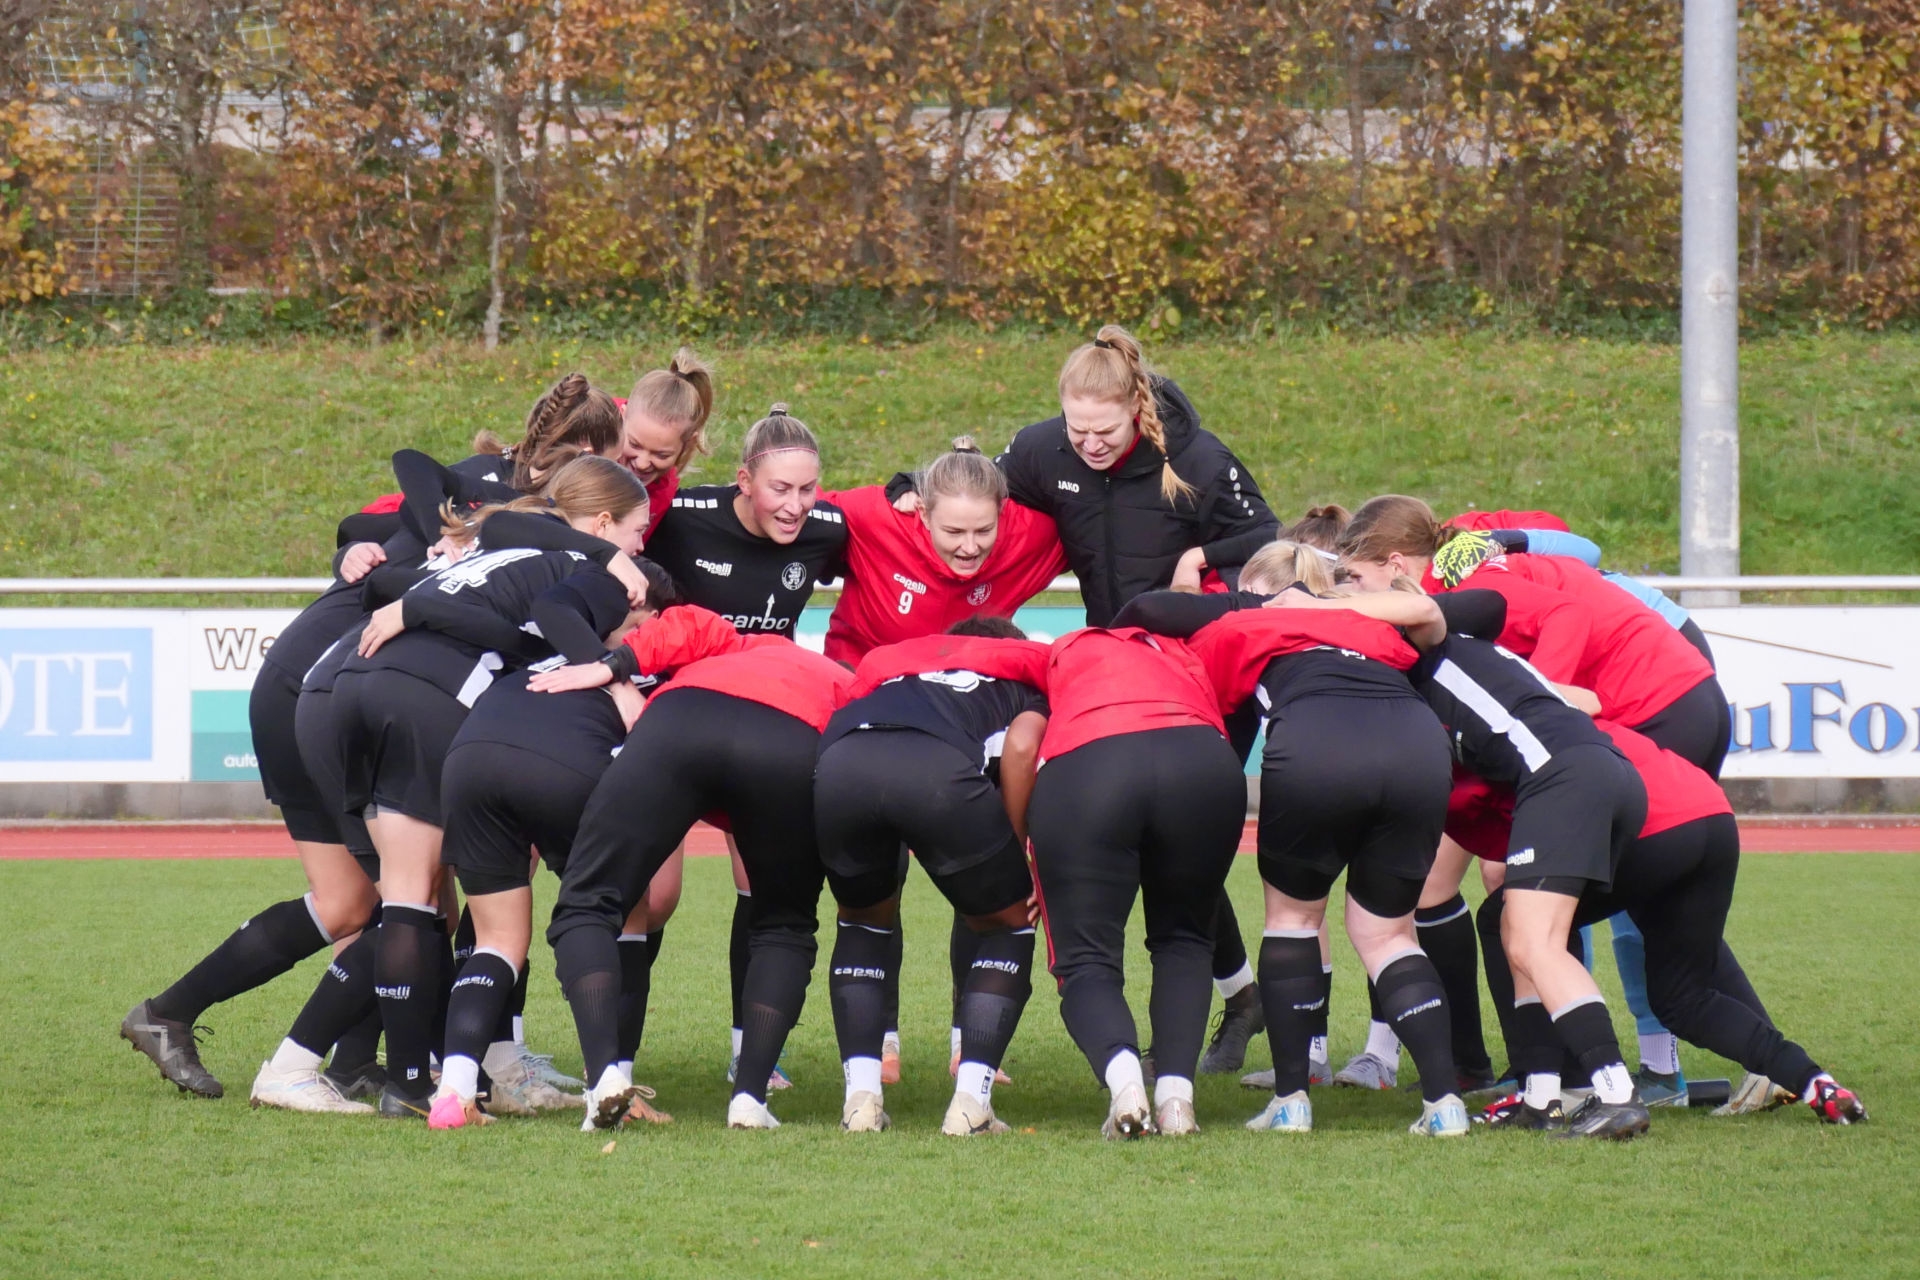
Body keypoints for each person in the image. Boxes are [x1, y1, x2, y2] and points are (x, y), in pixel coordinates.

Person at [248, 457, 650, 1118]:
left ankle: (419, 1074)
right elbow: (548, 613)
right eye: (636, 531)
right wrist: (613, 674)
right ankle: (371, 1077)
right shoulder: (582, 568)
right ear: (603, 523)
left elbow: (399, 581)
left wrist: (420, 603)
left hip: (344, 687)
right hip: (421, 699)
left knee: (411, 902)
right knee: (417, 903)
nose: (639, 547)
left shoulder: (493, 545)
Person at [1114, 550, 1468, 1137]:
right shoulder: (1373, 622)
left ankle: (1292, 1100)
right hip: (1417, 745)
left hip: (1316, 742)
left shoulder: (1242, 622)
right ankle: (1445, 1104)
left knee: (1293, 922)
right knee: (1389, 935)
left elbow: (1163, 634)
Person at [528, 604, 853, 1131]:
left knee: (588, 901)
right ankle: (750, 1099)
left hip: (681, 719)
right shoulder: (840, 679)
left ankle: (604, 1077)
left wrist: (613, 665)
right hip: (790, 736)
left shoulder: (728, 645)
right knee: (783, 926)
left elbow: (681, 625)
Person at [1460, 721, 1868, 1132]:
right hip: (1709, 810)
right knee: (1684, 998)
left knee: (1513, 919)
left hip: (1648, 824)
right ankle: (1816, 1083)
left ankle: (1552, 1087)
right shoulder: (1545, 708)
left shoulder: (1481, 734)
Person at [822, 440, 1065, 1083]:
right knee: (880, 885)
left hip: (967, 722)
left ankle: (966, 1041)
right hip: (869, 709)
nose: (969, 546)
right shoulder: (872, 515)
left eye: (983, 530)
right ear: (920, 511)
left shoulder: (1035, 532)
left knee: (981, 888)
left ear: (1005, 515)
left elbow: (1104, 520)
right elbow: (785, 510)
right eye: (953, 531)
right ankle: (882, 1040)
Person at [427, 562, 684, 1130]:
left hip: (469, 761)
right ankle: (610, 1083)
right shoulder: (652, 672)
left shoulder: (548, 650)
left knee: (497, 941)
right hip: (561, 765)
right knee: (615, 915)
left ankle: (454, 1090)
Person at [637, 403, 849, 1089]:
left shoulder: (825, 530)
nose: (795, 505)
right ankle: (616, 1056)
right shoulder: (682, 515)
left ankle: (748, 1051)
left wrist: (907, 487)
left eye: (808, 489)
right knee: (653, 897)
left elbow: (887, 529)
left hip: (759, 722)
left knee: (761, 886)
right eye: (780, 488)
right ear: (744, 480)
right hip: (673, 723)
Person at [815, 618, 1051, 1135]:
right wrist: (1015, 856)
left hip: (840, 760)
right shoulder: (1022, 678)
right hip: (933, 767)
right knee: (1008, 925)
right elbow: (1020, 748)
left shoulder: (903, 670)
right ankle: (971, 1104)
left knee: (861, 924)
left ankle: (860, 1101)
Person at [1027, 625, 1247, 1138]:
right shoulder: (1187, 649)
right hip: (1202, 759)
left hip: (1092, 759)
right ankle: (1176, 1100)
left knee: (1086, 959)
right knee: (1187, 940)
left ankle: (1126, 1084)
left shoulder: (1062, 649)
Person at [616, 347, 717, 537]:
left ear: (687, 444)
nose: (642, 463)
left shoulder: (661, 494)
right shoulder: (583, 434)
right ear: (622, 416)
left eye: (661, 455)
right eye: (634, 444)